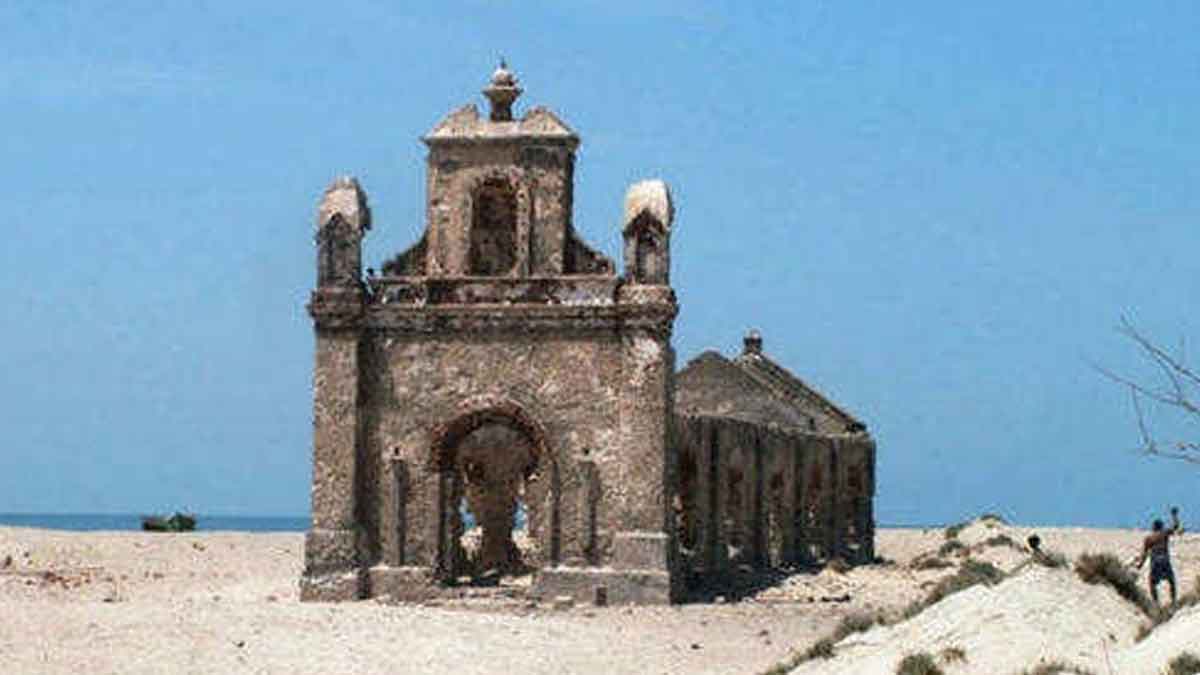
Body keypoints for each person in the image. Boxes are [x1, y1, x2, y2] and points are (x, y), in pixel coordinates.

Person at [1134, 507, 1182, 605]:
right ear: (1161, 527)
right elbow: (1176, 526)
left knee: (1152, 584)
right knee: (1171, 580)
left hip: (1155, 562)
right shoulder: (1164, 533)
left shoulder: (1148, 538)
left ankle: (1156, 603)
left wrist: (1140, 565)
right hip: (1165, 560)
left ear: (1153, 527)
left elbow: (1144, 554)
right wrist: (1174, 515)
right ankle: (1173, 601)